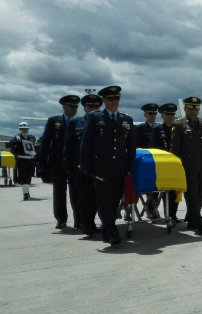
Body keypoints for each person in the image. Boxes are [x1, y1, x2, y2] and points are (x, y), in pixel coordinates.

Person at [80, 86, 135, 246]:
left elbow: (131, 147)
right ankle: (113, 233)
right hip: (100, 169)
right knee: (104, 202)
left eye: (116, 99)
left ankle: (106, 231)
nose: (114, 102)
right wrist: (85, 166)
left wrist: (129, 166)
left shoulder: (126, 120)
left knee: (113, 203)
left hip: (119, 169)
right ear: (104, 100)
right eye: (110, 99)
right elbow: (86, 144)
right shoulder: (95, 118)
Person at [171, 97, 202, 235]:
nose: (193, 111)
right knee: (191, 195)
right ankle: (199, 222)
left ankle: (192, 218)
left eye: (196, 108)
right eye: (190, 109)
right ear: (185, 109)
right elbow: (175, 149)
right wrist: (176, 167)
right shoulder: (178, 125)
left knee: (200, 194)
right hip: (188, 166)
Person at [39, 94, 81, 229]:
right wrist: (42, 164)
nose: (74, 109)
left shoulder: (81, 121)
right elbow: (45, 142)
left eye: (76, 106)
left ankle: (79, 220)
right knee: (59, 192)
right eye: (71, 106)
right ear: (63, 106)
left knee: (77, 193)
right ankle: (61, 219)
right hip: (57, 163)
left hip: (74, 163)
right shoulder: (53, 121)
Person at [63, 94, 102, 236]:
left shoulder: (104, 122)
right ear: (84, 108)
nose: (93, 109)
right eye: (90, 106)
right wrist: (68, 166)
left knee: (98, 199)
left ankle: (91, 222)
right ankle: (87, 224)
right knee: (84, 199)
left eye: (96, 106)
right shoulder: (75, 123)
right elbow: (68, 146)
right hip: (81, 168)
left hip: (99, 168)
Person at [150, 103, 180, 222]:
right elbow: (153, 147)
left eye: (172, 114)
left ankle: (172, 215)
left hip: (176, 165)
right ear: (162, 115)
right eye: (168, 114)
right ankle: (157, 213)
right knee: (162, 192)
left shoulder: (178, 128)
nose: (171, 116)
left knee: (176, 192)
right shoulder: (157, 129)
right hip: (162, 165)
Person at [136, 103, 161, 219]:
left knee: (155, 188)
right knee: (141, 188)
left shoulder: (159, 128)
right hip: (144, 162)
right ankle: (131, 210)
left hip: (156, 162)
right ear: (145, 114)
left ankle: (152, 209)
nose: (153, 115)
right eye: (150, 113)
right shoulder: (140, 129)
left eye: (155, 113)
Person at [8, 122, 37, 200]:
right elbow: (10, 143)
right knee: (23, 176)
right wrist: (20, 141)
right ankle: (25, 193)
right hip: (21, 159)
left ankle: (27, 191)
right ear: (20, 129)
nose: (25, 130)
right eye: (23, 128)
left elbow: (33, 143)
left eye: (26, 128)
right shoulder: (16, 137)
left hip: (30, 159)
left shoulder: (31, 137)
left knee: (29, 176)